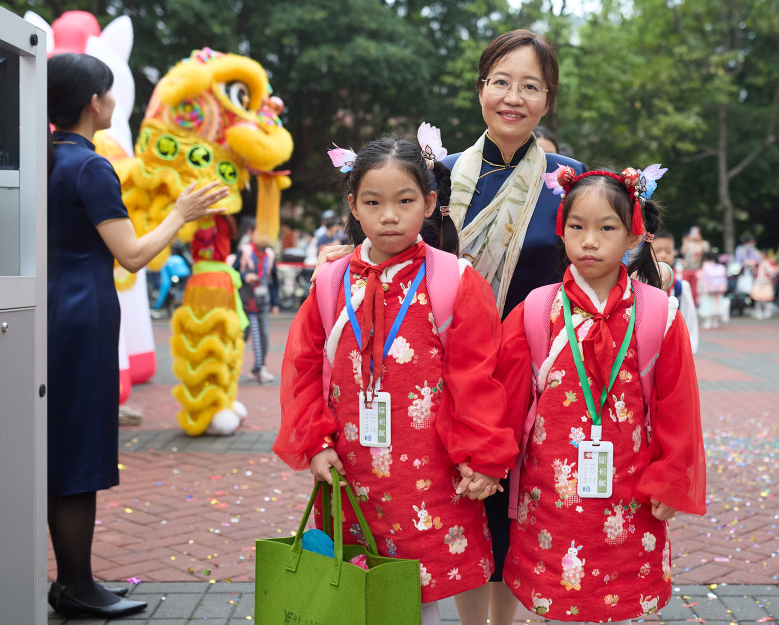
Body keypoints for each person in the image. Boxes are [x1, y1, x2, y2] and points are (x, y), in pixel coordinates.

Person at [313, 30, 583, 625]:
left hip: (531, 371)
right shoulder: (442, 173)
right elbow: (393, 239)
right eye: (501, 82)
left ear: (548, 98)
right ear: (481, 88)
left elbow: (591, 258)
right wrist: (341, 256)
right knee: (458, 506)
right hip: (443, 372)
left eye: (531, 86)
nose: (513, 97)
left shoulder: (567, 180)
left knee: (514, 508)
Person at [273, 137, 518, 625]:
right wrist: (315, 443)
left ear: (428, 203)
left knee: (420, 597)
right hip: (350, 472)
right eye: (373, 202)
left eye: (405, 201)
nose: (389, 216)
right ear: (353, 206)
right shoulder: (331, 281)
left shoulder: (455, 281)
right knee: (357, 593)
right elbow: (304, 369)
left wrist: (482, 458)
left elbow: (476, 379)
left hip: (431, 478)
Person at [46, 53, 228, 618]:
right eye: (109, 92)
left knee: (60, 447)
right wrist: (181, 212)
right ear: (93, 102)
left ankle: (73, 580)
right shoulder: (90, 166)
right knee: (78, 454)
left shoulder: (42, 157)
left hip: (50, 313)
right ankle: (76, 586)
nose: (114, 101)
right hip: (84, 317)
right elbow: (132, 254)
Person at [495, 166, 706, 623]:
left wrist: (671, 478)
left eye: (606, 228)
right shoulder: (537, 310)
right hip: (549, 497)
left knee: (621, 602)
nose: (589, 241)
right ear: (562, 230)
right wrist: (486, 462)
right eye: (577, 227)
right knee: (551, 603)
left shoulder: (658, 315)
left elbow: (677, 407)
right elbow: (506, 401)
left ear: (633, 235)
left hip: (630, 495)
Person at [238, 218, 277, 381]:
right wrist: (244, 277)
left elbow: (274, 280)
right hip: (244, 303)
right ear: (250, 233)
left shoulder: (269, 254)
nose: (264, 237)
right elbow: (232, 272)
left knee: (264, 336)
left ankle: (259, 368)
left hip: (262, 303)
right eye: (260, 233)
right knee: (241, 337)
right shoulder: (244, 252)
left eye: (266, 234)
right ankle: (231, 366)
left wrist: (275, 302)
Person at [651, 230, 699, 354]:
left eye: (668, 251)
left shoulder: (681, 287)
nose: (663, 255)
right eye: (657, 251)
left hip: (674, 348)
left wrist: (690, 347)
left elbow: (689, 318)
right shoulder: (639, 283)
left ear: (674, 253)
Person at [697, 250, 728, 329]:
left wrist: (700, 289)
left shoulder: (705, 266)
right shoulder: (719, 267)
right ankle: (715, 322)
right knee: (717, 304)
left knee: (707, 304)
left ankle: (708, 322)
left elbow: (701, 278)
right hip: (718, 290)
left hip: (708, 289)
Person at [680, 226, 709, 296]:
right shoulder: (689, 243)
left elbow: (706, 253)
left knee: (696, 290)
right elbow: (682, 252)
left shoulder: (703, 243)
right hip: (687, 269)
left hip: (698, 270)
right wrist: (687, 241)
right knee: (686, 288)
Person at [749, 251, 779, 320]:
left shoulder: (769, 262)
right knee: (757, 299)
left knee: (765, 299)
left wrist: (767, 268)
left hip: (766, 282)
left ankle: (767, 312)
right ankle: (758, 312)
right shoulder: (758, 263)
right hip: (758, 281)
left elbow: (774, 272)